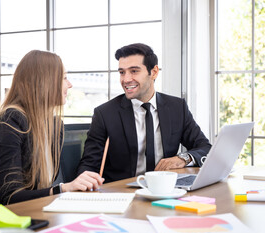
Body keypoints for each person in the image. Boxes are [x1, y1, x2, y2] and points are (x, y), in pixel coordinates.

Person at [0, 50, 104, 207]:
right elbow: (10, 197)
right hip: (1, 222)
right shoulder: (9, 122)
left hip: (36, 213)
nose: (69, 84)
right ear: (45, 81)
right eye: (64, 78)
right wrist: (64, 188)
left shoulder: (54, 125)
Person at [77, 43, 212, 183]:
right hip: (122, 192)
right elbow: (89, 165)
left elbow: (205, 148)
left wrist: (183, 158)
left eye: (134, 71)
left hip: (166, 189)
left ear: (153, 72)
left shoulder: (177, 107)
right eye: (122, 72)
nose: (126, 79)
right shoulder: (105, 114)